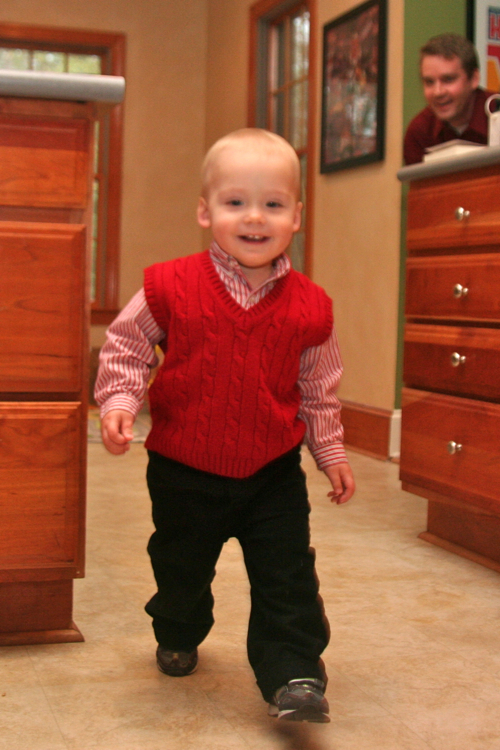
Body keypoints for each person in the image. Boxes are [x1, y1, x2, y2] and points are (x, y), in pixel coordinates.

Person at [94, 128, 355, 723]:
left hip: (273, 472)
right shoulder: (169, 286)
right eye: (236, 202)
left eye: (273, 203)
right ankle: (179, 628)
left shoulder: (312, 307)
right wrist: (118, 402)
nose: (255, 217)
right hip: (184, 466)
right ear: (205, 211)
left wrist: (331, 453)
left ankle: (293, 672)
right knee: (182, 566)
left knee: (288, 576)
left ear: (296, 216)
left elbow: (318, 389)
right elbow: (127, 348)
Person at [404, 33, 496, 164]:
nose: (438, 92)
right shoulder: (419, 132)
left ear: (474, 79)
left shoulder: (496, 110)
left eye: (448, 80)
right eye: (429, 82)